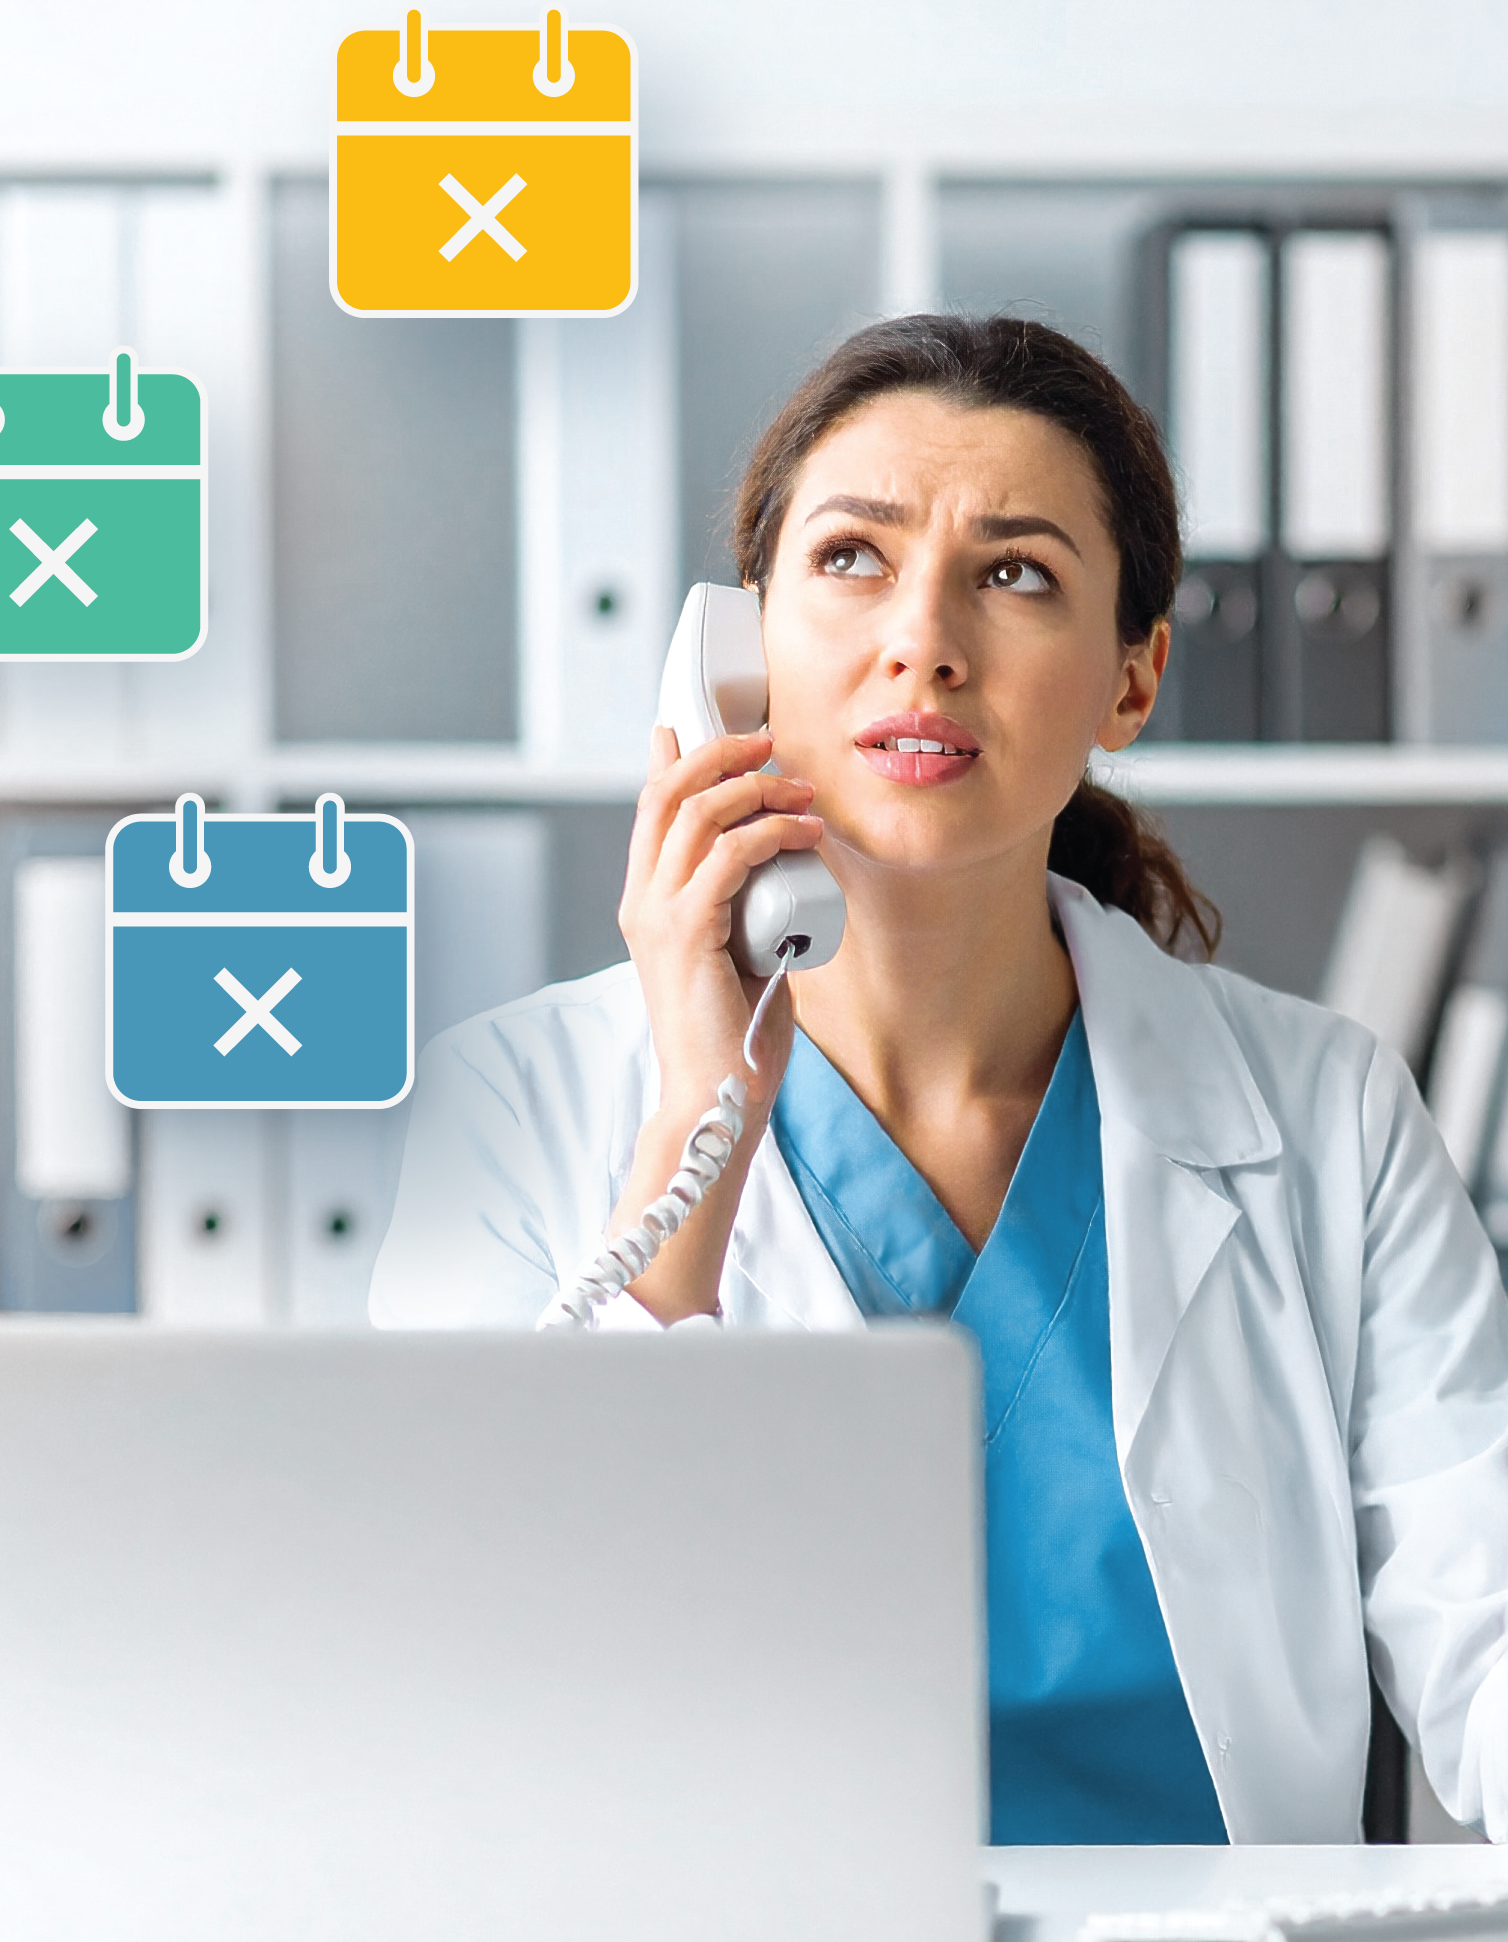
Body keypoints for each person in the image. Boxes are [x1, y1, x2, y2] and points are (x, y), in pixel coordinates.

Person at [370, 314, 1508, 1847]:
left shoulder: (1328, 1117)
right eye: (851, 557)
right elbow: (473, 1672)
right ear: (737, 651)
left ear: (1130, 679)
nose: (924, 640)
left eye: (1015, 573)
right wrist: (695, 1122)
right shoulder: (510, 1104)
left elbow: (1486, 1621)